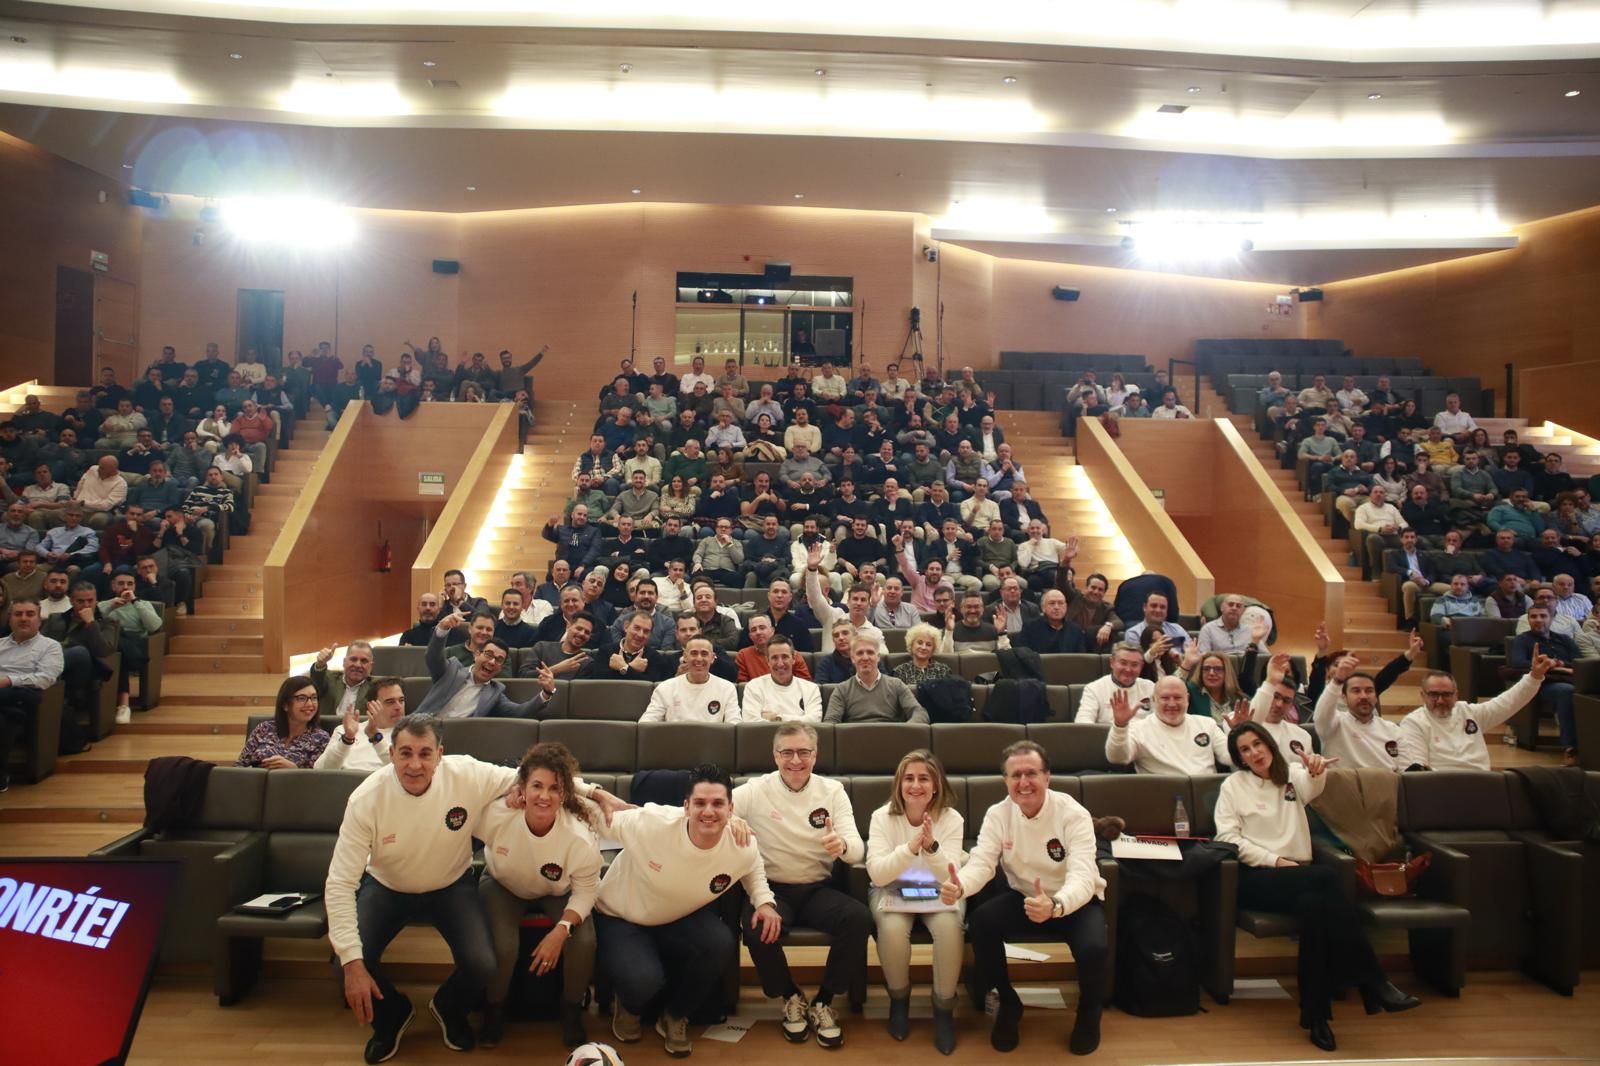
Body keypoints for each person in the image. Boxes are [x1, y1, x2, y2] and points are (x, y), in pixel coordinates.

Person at [328, 713, 624, 1060]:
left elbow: (534, 775)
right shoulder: (366, 799)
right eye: (405, 753)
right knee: (346, 961)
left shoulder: (466, 774)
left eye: (425, 753)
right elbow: (340, 883)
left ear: (440, 754)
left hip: (449, 885)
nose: (415, 764)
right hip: (387, 886)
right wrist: (352, 962)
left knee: (483, 963)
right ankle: (392, 1016)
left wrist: (594, 792)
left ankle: (449, 1008)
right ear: (391, 753)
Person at [1215, 723, 1419, 1052]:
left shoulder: (1292, 776)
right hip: (1256, 876)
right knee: (1325, 878)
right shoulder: (1233, 786)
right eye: (1245, 750)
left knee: (1316, 909)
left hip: (1301, 879)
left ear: (1269, 744)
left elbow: (1313, 785)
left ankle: (1316, 1017)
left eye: (1257, 744)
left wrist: (1316, 769)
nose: (1254, 753)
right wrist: (1276, 861)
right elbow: (1227, 838)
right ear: (1239, 758)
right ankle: (1373, 983)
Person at [595, 764, 779, 1058]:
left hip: (675, 917)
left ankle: (675, 1015)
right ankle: (629, 1005)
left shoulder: (742, 842)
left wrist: (765, 903)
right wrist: (591, 791)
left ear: (731, 809)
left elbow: (753, 868)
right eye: (700, 803)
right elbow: (590, 816)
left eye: (718, 804)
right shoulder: (651, 822)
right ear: (686, 806)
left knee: (720, 942)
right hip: (622, 916)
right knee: (643, 981)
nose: (709, 811)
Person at [938, 740, 1107, 1055]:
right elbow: (982, 864)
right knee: (981, 922)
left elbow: (1083, 876)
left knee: (1094, 947)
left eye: (1031, 773)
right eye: (1015, 775)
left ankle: (1089, 1012)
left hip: (1073, 902)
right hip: (1025, 897)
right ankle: (1008, 1001)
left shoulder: (1073, 813)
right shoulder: (998, 814)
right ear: (1005, 781)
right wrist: (960, 886)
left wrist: (1056, 905)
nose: (1024, 782)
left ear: (1047, 777)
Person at [734, 723, 869, 1050]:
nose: (796, 760)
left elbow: (857, 848)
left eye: (803, 752)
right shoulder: (755, 789)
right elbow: (714, 809)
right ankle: (790, 995)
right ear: (775, 755)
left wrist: (842, 846)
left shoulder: (832, 791)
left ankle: (824, 1000)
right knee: (755, 926)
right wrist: (731, 819)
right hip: (772, 891)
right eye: (787, 753)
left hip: (817, 889)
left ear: (815, 755)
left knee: (859, 918)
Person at [476, 742, 603, 1048]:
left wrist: (561, 931)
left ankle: (571, 1009)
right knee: (504, 946)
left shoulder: (579, 837)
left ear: (565, 794)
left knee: (584, 942)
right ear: (521, 788)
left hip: (557, 891)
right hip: (502, 884)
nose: (544, 796)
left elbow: (586, 890)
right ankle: (495, 1008)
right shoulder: (497, 814)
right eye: (536, 786)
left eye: (554, 788)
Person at [864, 750, 965, 1054]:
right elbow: (878, 874)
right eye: (909, 778)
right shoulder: (881, 817)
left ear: (936, 785)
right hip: (891, 890)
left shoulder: (952, 819)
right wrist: (910, 848)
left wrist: (931, 848)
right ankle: (899, 1001)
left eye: (924, 778)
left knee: (950, 928)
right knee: (892, 930)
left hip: (938, 890)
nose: (916, 785)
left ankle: (943, 1010)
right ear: (899, 784)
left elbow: (949, 875)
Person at [1397, 655, 1554, 770]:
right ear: (1423, 695)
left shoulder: (1468, 712)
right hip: (1439, 787)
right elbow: (1418, 769)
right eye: (1433, 694)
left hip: (1482, 783)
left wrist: (1534, 677)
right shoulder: (1414, 722)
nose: (1440, 700)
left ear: (1456, 695)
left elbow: (1508, 703)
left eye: (1446, 694)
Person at [416, 612, 553, 719]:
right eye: (488, 655)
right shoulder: (452, 670)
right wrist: (442, 629)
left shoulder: (494, 693)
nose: (492, 662)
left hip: (458, 738)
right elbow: (432, 657)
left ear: (501, 667)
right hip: (423, 728)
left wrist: (548, 693)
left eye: (499, 660)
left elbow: (520, 712)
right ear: (476, 655)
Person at [1105, 676, 1232, 773]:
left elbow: (1230, 757)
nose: (1172, 704)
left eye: (1177, 698)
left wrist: (1238, 733)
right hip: (1161, 794)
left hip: (1207, 794)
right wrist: (1120, 726)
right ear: (1154, 700)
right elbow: (1117, 758)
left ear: (1187, 699)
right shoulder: (1138, 728)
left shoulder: (1207, 724)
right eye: (1165, 698)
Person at [1510, 605, 1581, 764]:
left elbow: (1580, 662)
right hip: (1542, 684)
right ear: (1528, 620)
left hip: (1571, 679)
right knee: (1566, 691)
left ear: (1551, 619)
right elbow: (1517, 663)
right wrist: (1544, 664)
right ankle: (1571, 748)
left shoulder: (1564, 639)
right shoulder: (1522, 640)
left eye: (1543, 616)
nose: (1538, 620)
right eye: (1533, 616)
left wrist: (1559, 663)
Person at [1310, 656, 1404, 771]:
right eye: (1356, 691)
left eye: (1369, 691)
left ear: (1376, 698)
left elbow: (1406, 770)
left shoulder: (1393, 730)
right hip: (1344, 780)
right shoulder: (1332, 724)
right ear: (1344, 698)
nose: (1363, 696)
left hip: (1386, 780)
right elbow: (1321, 714)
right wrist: (1337, 681)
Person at [315, 675, 407, 773]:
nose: (398, 707)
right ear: (371, 706)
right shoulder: (345, 730)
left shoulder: (410, 734)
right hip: (343, 781)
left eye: (401, 700)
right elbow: (320, 770)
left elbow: (403, 769)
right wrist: (347, 739)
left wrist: (375, 736)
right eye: (390, 702)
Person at [824, 638, 928, 723]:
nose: (865, 658)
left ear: (878, 657)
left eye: (870, 652)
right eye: (860, 653)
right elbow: (830, 722)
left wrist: (905, 730)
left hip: (892, 738)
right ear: (853, 659)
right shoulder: (842, 689)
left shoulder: (897, 685)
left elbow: (919, 712)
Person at [237, 675, 330, 768]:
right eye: (302, 698)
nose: (310, 704)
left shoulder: (321, 738)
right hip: (258, 777)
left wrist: (294, 770)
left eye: (314, 698)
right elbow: (239, 767)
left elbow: (319, 775)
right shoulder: (264, 729)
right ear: (285, 705)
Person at [640, 637, 742, 722]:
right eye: (694, 653)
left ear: (712, 658)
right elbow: (646, 724)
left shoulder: (727, 688)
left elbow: (734, 725)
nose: (699, 658)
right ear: (685, 657)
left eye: (704, 654)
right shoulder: (665, 688)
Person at [741, 635, 823, 721]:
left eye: (785, 657)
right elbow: (750, 722)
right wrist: (800, 719)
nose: (780, 663)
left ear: (793, 659)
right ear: (768, 661)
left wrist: (777, 718)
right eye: (774, 658)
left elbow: (814, 721)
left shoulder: (810, 689)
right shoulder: (753, 687)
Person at [1075, 642, 1154, 724]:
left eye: (1134, 665)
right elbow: (1083, 723)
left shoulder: (1150, 687)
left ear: (1141, 666)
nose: (1128, 669)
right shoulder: (1094, 689)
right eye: (1123, 663)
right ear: (1112, 662)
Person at [309, 640, 376, 717]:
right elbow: (317, 680)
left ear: (371, 666)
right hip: (326, 725)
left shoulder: (376, 687)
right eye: (353, 659)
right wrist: (320, 664)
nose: (358, 665)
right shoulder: (329, 679)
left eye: (364, 661)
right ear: (344, 662)